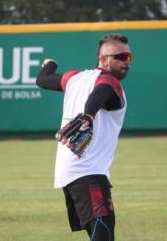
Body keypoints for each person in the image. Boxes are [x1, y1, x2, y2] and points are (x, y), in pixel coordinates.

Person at [36, 34, 132, 240]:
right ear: (104, 59)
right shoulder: (110, 81)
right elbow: (100, 94)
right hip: (88, 171)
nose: (127, 61)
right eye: (121, 56)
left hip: (71, 171)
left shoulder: (73, 78)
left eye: (129, 57)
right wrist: (89, 114)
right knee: (104, 234)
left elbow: (42, 80)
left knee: (100, 233)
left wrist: (49, 65)